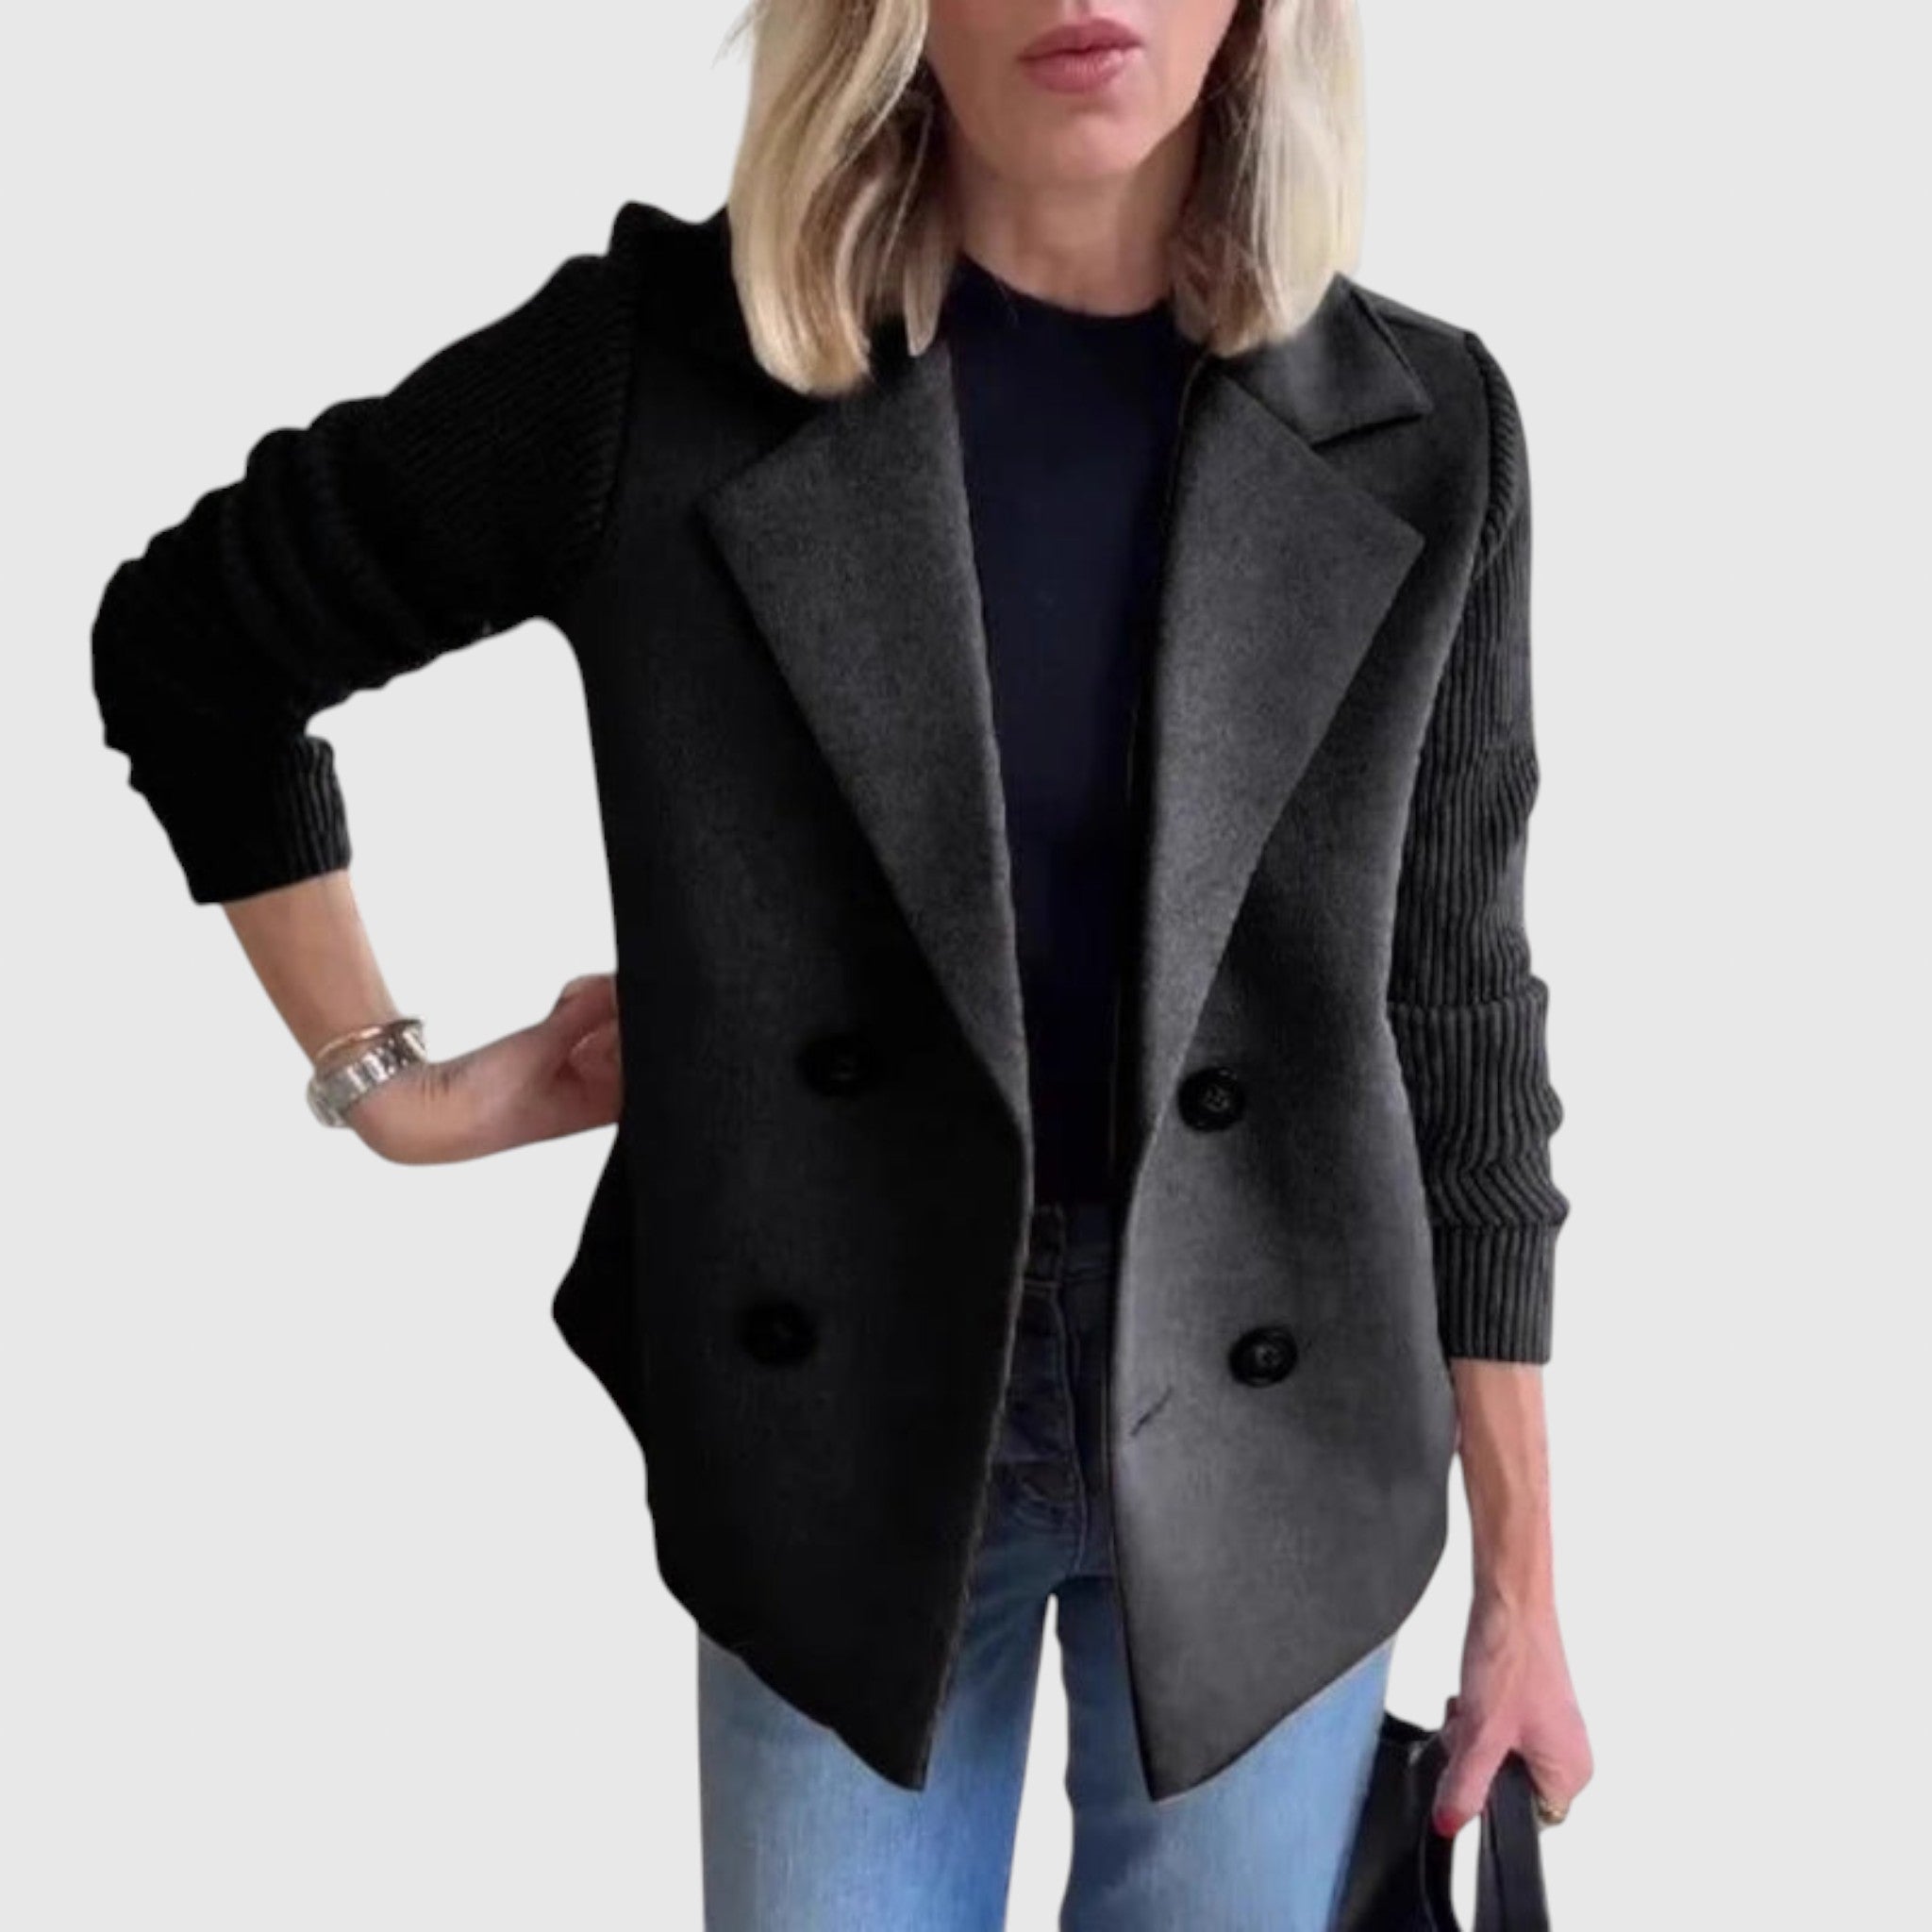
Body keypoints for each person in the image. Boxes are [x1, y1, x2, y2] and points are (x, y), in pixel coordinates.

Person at [89, 1, 1593, 1925]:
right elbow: (194, 645)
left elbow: (1458, 1010)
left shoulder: (1424, 427)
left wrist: (1524, 1586)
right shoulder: (654, 377)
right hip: (837, 1431)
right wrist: (388, 1083)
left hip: (1290, 1425)